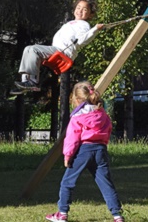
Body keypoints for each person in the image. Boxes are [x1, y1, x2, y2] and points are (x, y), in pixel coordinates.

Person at [46, 81, 124, 222]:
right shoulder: (102, 114)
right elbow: (108, 130)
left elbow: (72, 137)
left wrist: (67, 155)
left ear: (76, 100)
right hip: (100, 150)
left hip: (83, 150)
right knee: (106, 183)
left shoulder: (77, 116)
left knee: (68, 182)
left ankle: (62, 213)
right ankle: (117, 216)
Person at [13, 0, 104, 93]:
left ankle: (32, 81)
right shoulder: (71, 23)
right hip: (56, 49)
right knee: (28, 49)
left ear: (90, 14)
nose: (80, 10)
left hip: (63, 52)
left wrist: (95, 30)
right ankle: (25, 82)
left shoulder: (84, 25)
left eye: (85, 9)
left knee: (33, 50)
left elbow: (83, 40)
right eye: (78, 7)